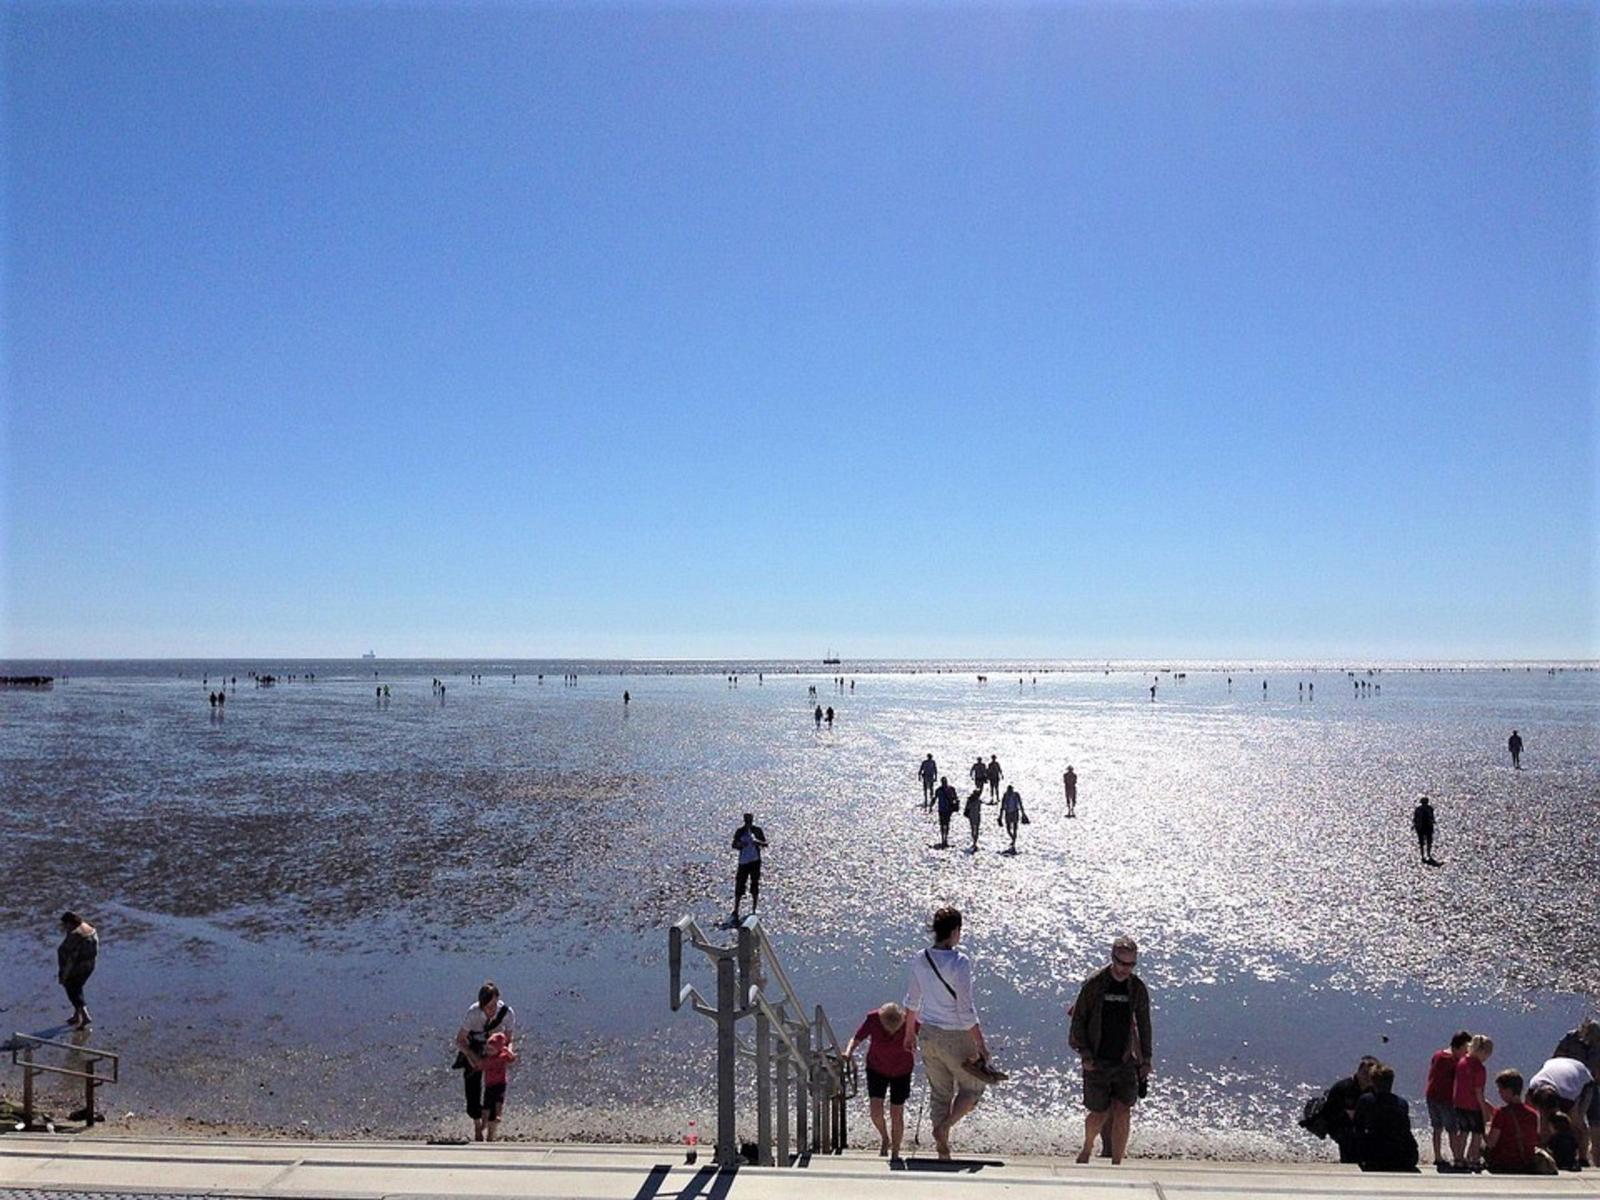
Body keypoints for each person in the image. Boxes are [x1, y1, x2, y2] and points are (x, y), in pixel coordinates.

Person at [902, 907, 990, 1161]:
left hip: (927, 1033)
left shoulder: (920, 958)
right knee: (973, 1088)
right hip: (956, 1035)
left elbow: (912, 1001)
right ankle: (944, 1127)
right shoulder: (960, 962)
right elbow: (965, 1009)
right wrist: (980, 1043)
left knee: (940, 1092)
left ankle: (943, 1151)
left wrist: (909, 1034)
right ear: (954, 932)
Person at [1068, 935, 1153, 1166]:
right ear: (1112, 958)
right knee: (1099, 1112)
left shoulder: (1137, 988)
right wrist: (1084, 1053)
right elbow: (1078, 1020)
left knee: (1124, 1110)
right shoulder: (1094, 984)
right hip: (1097, 1058)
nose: (1127, 969)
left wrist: (1146, 1059)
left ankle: (1117, 1162)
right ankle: (1087, 1147)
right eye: (1123, 963)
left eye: (1132, 964)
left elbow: (1144, 1023)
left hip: (1125, 1060)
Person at [844, 1001, 915, 1160]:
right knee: (876, 1111)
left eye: (895, 1029)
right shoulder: (873, 1018)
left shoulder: (910, 1021)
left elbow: (928, 1037)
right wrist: (848, 1052)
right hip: (876, 1067)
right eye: (888, 1028)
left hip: (901, 1070)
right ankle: (884, 1138)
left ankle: (895, 1151)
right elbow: (857, 1037)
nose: (891, 1032)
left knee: (896, 1112)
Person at [455, 981, 515, 1142]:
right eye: (488, 1007)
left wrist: (509, 1051)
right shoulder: (473, 1013)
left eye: (494, 1005)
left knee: (496, 1089)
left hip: (495, 1050)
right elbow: (460, 1040)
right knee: (472, 1089)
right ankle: (477, 1123)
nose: (491, 1010)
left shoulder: (507, 1013)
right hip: (474, 1047)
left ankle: (492, 1131)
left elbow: (509, 1039)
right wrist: (472, 1057)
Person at [1552, 1017, 1600, 1165]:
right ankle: (1579, 1156)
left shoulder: (1598, 1043)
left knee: (1596, 1123)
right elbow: (1556, 1059)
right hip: (1572, 1086)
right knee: (1575, 1121)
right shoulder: (1570, 1039)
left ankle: (1596, 1158)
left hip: (1591, 1085)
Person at [1528, 1054, 1595, 1161]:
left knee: (1576, 1124)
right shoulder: (1533, 1087)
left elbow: (1575, 1123)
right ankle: (1546, 1154)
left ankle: (1583, 1157)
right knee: (1544, 1122)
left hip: (1583, 1078)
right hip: (1555, 1066)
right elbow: (1534, 1117)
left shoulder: (1568, 1095)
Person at [1354, 1063, 1419, 1171]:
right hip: (1403, 1156)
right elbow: (1406, 1130)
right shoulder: (1402, 1103)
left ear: (1372, 1082)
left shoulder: (1365, 1101)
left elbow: (1358, 1127)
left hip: (1374, 1156)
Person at [1425, 1030, 1471, 1169]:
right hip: (1445, 1098)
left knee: (1437, 1128)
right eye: (1465, 1049)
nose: (1467, 1052)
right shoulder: (1454, 1061)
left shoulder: (1438, 1055)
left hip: (1431, 1095)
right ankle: (1458, 1157)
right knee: (1452, 1130)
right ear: (1459, 1047)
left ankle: (1438, 1156)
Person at [1322, 1057, 1380, 1163]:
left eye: (1371, 1075)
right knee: (1348, 1138)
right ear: (1358, 1071)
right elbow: (1329, 1113)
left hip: (1361, 1125)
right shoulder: (1343, 1087)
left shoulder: (1374, 1090)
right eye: (1365, 1073)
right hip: (1339, 1125)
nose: (1367, 1077)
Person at [1484, 1068, 1540, 1174]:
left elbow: (1491, 1143)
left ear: (1508, 1090)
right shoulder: (1533, 1114)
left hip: (1504, 1163)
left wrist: (1483, 1129)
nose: (1499, 1092)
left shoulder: (1501, 1113)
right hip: (1526, 1164)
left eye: (1500, 1089)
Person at [1452, 1035, 1494, 1170]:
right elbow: (1478, 1092)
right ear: (1482, 1052)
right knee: (1476, 1134)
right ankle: (1474, 1160)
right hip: (1473, 1106)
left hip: (1459, 1104)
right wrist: (1484, 1110)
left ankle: (1458, 1158)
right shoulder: (1480, 1069)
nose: (1487, 1058)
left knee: (1463, 1133)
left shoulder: (1462, 1062)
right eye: (1487, 1055)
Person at [57, 911, 98, 1029]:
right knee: (78, 987)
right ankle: (77, 1014)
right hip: (90, 964)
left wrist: (64, 975)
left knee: (72, 990)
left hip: (77, 967)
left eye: (65, 925)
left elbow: (69, 957)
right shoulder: (90, 927)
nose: (64, 927)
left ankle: (85, 1016)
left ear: (70, 923)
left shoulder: (75, 935)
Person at [479, 1029, 518, 1141]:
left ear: (498, 1049)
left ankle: (498, 1115)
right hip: (489, 1085)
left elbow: (512, 1059)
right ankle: (484, 1122)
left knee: (498, 1101)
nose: (488, 1051)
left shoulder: (502, 1056)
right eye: (488, 1049)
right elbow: (480, 1065)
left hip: (500, 1083)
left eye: (491, 1050)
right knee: (486, 1105)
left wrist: (508, 1050)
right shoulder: (487, 1058)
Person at [731, 814, 767, 916]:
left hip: (755, 861)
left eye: (750, 820)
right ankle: (736, 909)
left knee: (754, 883)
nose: (748, 823)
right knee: (740, 884)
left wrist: (757, 842)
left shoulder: (757, 830)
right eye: (747, 821)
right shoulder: (740, 831)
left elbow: (765, 843)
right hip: (743, 862)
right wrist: (740, 845)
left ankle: (754, 909)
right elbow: (733, 845)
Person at [998, 785, 1026, 852]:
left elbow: (1020, 804)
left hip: (1015, 812)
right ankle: (1013, 839)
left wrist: (1023, 814)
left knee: (1015, 828)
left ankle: (1013, 842)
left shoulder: (1016, 795)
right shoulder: (1005, 796)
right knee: (1008, 829)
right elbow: (1002, 806)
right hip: (1008, 813)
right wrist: (1000, 816)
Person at [934, 778, 958, 849]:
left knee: (945, 825)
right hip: (943, 809)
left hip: (946, 809)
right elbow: (935, 798)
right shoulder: (941, 790)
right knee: (944, 825)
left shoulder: (943, 790)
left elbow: (955, 798)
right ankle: (944, 839)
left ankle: (944, 839)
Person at [1412, 796, 1436, 864]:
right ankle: (1423, 855)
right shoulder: (1424, 809)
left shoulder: (1423, 809)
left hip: (1426, 827)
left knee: (1428, 841)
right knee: (1422, 842)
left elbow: (1431, 817)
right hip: (1422, 827)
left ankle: (1427, 854)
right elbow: (1415, 818)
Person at [963, 787, 985, 851]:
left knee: (974, 829)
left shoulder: (972, 800)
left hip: (974, 815)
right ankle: (975, 842)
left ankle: (975, 842)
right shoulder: (973, 800)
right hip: (974, 815)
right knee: (975, 829)